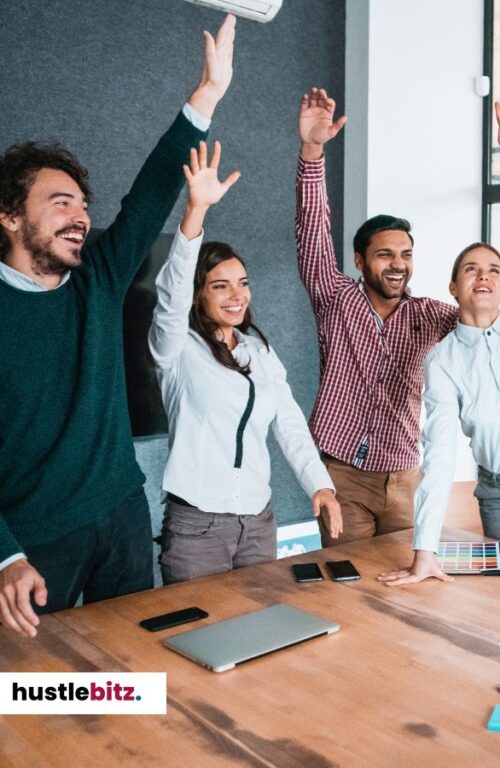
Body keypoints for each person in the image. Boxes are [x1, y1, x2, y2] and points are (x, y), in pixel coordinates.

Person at [0, 15, 236, 638]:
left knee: (135, 662)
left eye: (83, 204)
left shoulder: (96, 281)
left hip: (122, 510)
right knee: (28, 693)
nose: (81, 216)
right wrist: (4, 554)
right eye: (60, 204)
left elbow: (150, 195)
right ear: (8, 218)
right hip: (33, 537)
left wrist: (205, 98)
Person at [294, 88, 500, 548]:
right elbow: (312, 230)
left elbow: (489, 312)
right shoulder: (334, 296)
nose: (397, 264)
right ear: (360, 261)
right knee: (352, 582)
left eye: (405, 255)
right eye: (385, 255)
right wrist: (312, 152)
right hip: (343, 471)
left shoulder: (429, 315)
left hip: (404, 474)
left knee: (404, 578)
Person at [378, 99, 500, 587]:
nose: (485, 275)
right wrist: (424, 550)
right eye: (471, 269)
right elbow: (437, 455)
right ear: (454, 287)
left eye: (494, 270)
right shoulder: (444, 361)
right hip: (498, 493)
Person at [148, 141, 341, 584]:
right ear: (200, 294)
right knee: (197, 640)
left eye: (242, 283)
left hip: (258, 522)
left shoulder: (258, 351)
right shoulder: (176, 350)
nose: (237, 295)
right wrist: (195, 212)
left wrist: (320, 485)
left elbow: (289, 422)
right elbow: (172, 295)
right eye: (220, 286)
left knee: (258, 632)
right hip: (198, 528)